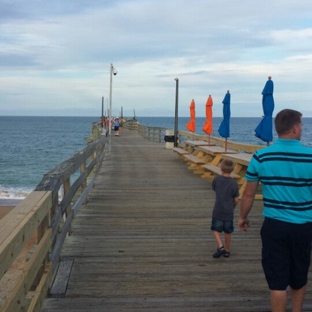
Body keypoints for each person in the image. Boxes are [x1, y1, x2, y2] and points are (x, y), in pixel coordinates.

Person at [238, 109, 312, 312]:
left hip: (274, 226)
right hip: (304, 226)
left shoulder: (261, 157)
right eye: (302, 126)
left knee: (277, 282)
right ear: (295, 128)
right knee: (299, 277)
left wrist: (243, 217)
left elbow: (248, 194)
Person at [211, 159, 239, 258]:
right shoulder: (234, 183)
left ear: (221, 168)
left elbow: (214, 188)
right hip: (229, 211)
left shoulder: (216, 180)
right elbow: (236, 199)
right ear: (233, 170)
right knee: (228, 231)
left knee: (215, 229)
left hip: (218, 209)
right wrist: (233, 207)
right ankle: (227, 251)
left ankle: (220, 246)